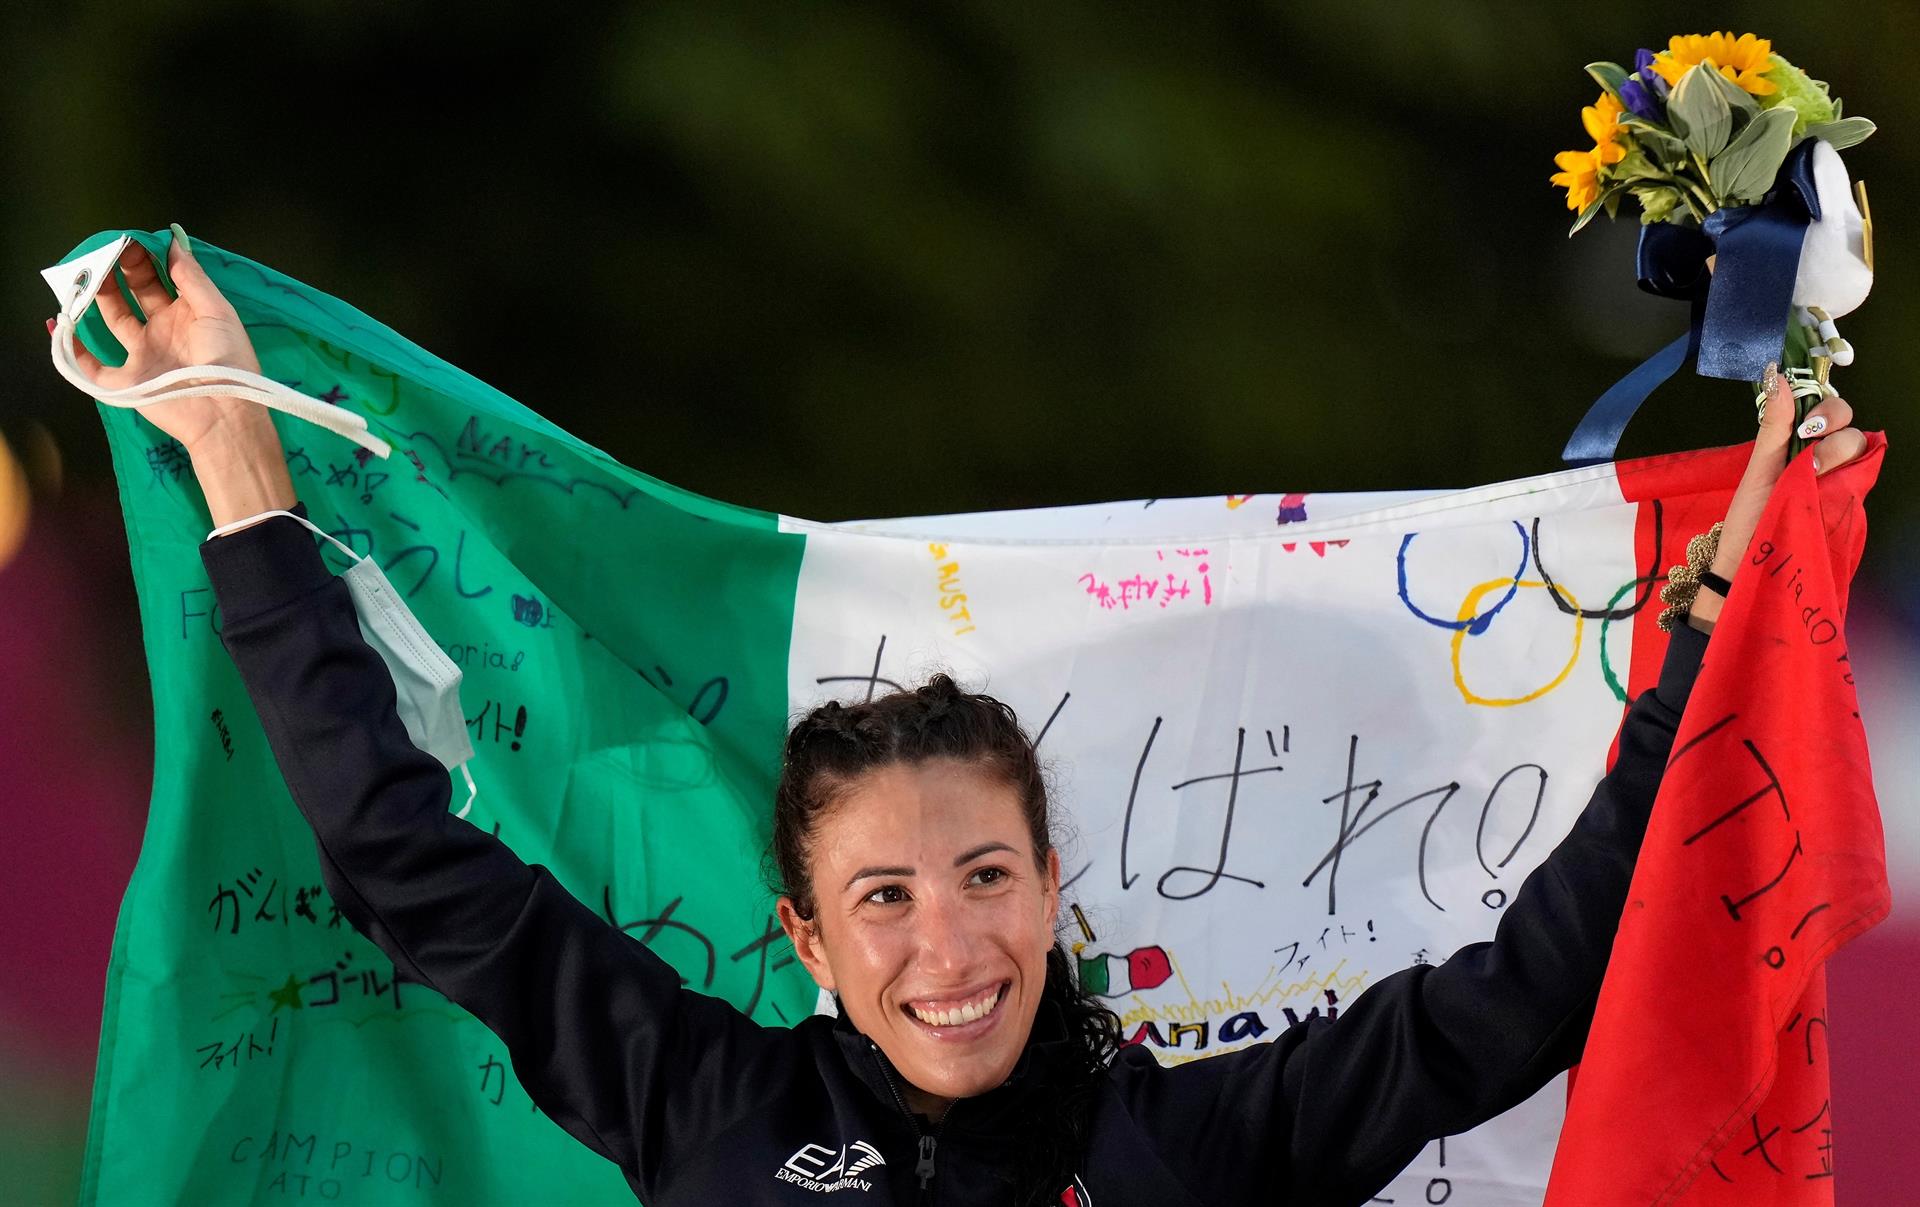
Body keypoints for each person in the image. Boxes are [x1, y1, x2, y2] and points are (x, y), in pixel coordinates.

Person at [69, 233, 1867, 1205]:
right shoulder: (698, 1094)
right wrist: (239, 467)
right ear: (804, 937)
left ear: (1054, 881)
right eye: (886, 899)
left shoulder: (1198, 1141)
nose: (951, 945)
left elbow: (1528, 992)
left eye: (983, 873)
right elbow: (402, 860)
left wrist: (1706, 631)